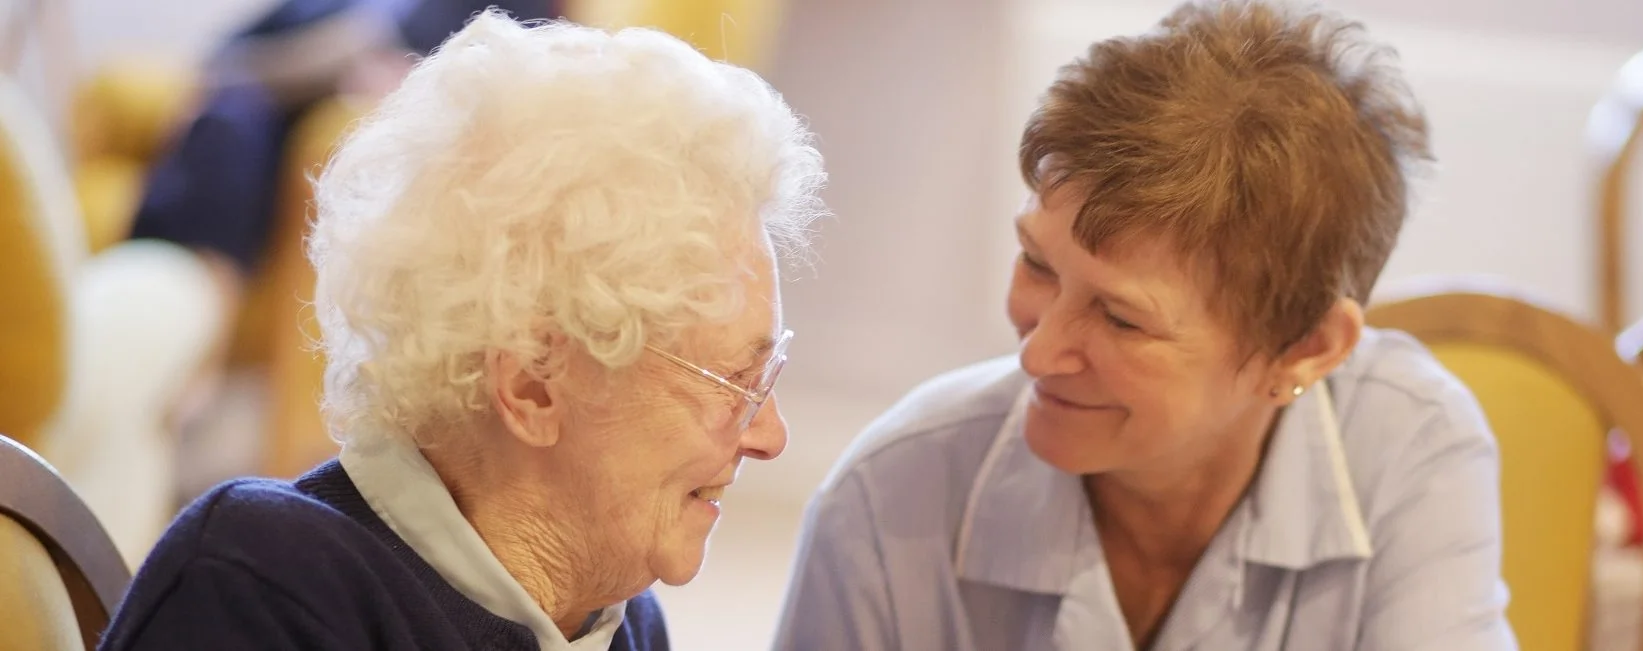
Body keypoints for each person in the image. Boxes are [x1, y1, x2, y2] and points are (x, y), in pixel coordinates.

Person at [774, 1, 1514, 649]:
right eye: (1037, 263)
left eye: (1122, 318)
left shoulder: (1411, 446)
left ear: (1305, 348)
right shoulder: (889, 498)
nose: (1039, 352)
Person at [98, 10, 824, 650]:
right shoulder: (262, 589)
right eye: (734, 382)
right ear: (533, 385)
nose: (771, 435)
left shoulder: (620, 618)